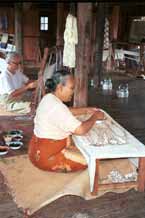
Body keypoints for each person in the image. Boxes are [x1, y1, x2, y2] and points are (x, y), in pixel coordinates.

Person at [28, 69, 105, 172]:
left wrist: (86, 110)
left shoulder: (48, 98)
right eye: (71, 88)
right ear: (60, 87)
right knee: (92, 159)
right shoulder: (57, 107)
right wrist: (95, 116)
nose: (73, 92)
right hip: (48, 157)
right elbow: (81, 130)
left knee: (84, 147)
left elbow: (66, 111)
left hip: (35, 151)